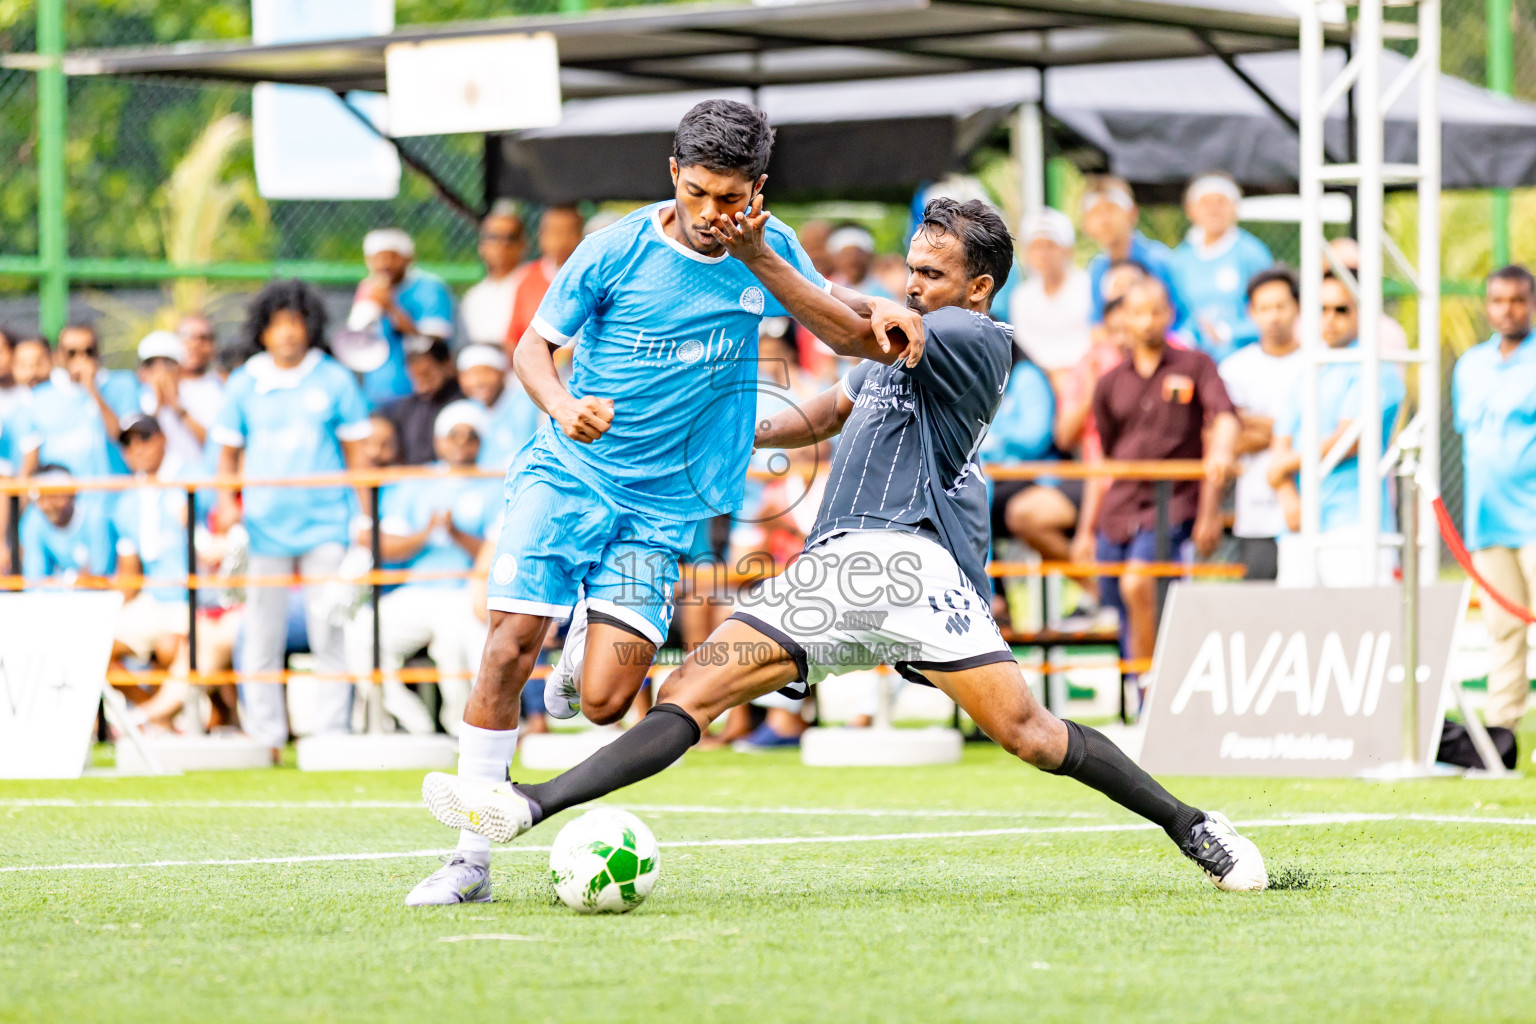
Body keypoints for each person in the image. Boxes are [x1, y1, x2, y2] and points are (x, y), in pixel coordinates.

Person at [419, 197, 1268, 900]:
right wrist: (692, 430)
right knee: (689, 694)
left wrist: (760, 256)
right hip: (832, 570)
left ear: (979, 288)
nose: (911, 285)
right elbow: (817, 416)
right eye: (910, 269)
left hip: (910, 569)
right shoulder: (894, 336)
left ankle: (1196, 827)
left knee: (1034, 738)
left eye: (930, 276)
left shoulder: (978, 338)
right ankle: (529, 805)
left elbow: (842, 330)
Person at [403, 99, 920, 907]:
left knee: (606, 702)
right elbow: (532, 349)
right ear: (674, 175)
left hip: (664, 506)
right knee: (509, 643)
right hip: (570, 472)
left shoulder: (769, 248)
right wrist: (562, 403)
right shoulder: (611, 251)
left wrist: (848, 295)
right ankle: (470, 858)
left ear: (759, 189)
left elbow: (850, 334)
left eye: (733, 197)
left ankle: (582, 646)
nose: (716, 214)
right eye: (701, 194)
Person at [211, 280, 374, 756]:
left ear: (309, 327)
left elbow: (357, 456)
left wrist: (361, 523)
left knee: (330, 630)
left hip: (325, 523)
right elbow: (227, 457)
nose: (286, 333)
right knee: (259, 633)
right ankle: (265, 737)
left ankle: (331, 736)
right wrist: (227, 508)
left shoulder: (334, 378)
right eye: (277, 324)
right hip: (262, 529)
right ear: (262, 331)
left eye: (295, 323)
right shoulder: (244, 382)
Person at [1080, 277, 1237, 687]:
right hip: (1120, 508)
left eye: (1155, 311)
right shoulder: (1110, 382)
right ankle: (1148, 685)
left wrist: (1219, 457)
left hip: (1173, 503)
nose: (1147, 321)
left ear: (1169, 314)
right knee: (1119, 594)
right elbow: (1108, 451)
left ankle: (1149, 692)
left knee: (1140, 585)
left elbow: (1223, 418)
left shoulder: (1196, 365)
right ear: (1123, 319)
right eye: (1137, 312)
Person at [346, 401, 503, 736]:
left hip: (463, 593)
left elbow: (498, 553)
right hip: (417, 590)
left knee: (454, 648)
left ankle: (464, 731)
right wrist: (427, 533)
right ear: (438, 440)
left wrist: (456, 535)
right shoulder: (416, 481)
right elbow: (389, 545)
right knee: (361, 632)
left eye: (469, 435)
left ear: (480, 442)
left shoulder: (494, 483)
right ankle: (412, 722)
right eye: (452, 435)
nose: (460, 442)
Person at [1267, 274, 1405, 587]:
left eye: (1341, 310)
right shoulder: (1308, 369)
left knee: (1362, 622)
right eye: (1321, 309)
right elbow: (1281, 440)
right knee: (1297, 625)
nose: (1330, 319)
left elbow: (1347, 441)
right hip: (1301, 524)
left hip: (1356, 523)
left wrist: (1280, 469)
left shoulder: (1377, 368)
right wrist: (1287, 495)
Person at [1453, 264, 1536, 736]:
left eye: (1518, 300)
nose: (1508, 310)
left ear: (1532, 303)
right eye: (1499, 300)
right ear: (1487, 305)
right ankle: (1502, 733)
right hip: (1487, 521)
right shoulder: (1470, 365)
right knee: (1502, 630)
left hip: (1534, 519)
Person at [111, 414, 199, 730]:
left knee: (170, 646)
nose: (137, 448)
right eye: (128, 442)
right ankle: (153, 716)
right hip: (154, 600)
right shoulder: (126, 503)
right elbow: (130, 574)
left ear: (163, 439)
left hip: (194, 597)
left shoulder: (193, 477)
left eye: (144, 438)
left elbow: (220, 536)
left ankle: (155, 718)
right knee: (97, 644)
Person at [1217, 267, 1304, 582]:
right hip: (1256, 512)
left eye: (1281, 306)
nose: (1274, 316)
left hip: (1307, 510)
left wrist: (1253, 424)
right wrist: (1288, 429)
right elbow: (1224, 439)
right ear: (1251, 313)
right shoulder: (1235, 369)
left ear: (1297, 308)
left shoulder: (1317, 364)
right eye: (1264, 308)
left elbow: (1322, 433)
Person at [1168, 173, 1273, 363]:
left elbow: (1272, 312)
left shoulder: (1252, 253)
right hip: (1194, 362)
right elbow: (1177, 314)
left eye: (1221, 202)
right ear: (1191, 210)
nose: (1213, 210)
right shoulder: (1180, 260)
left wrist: (1228, 332)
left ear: (1235, 207)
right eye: (1206, 203)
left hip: (1244, 360)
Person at [353, 228, 456, 407]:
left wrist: (390, 307)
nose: (384, 265)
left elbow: (433, 342)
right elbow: (355, 338)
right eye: (377, 258)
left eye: (391, 257)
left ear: (409, 258)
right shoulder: (370, 288)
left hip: (421, 394)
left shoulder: (430, 288)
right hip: (376, 393)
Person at [24, 326, 140, 482]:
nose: (81, 359)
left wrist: (92, 389)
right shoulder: (40, 397)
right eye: (72, 353)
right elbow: (30, 461)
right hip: (62, 500)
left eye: (88, 352)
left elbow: (122, 438)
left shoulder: (123, 384)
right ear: (59, 356)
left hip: (112, 497)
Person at [1081, 176, 1186, 338]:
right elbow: (1097, 325)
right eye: (1096, 213)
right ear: (1086, 223)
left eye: (1111, 209)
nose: (1104, 220)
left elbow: (1180, 318)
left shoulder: (1158, 259)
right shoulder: (1097, 268)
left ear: (1132, 213)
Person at [1008, 207, 1091, 380]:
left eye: (1050, 246)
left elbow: (1092, 339)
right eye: (1036, 247)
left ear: (1068, 250)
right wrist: (1051, 374)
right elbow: (1025, 345)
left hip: (1083, 373)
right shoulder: (1022, 296)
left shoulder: (1087, 287)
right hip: (1039, 377)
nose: (1043, 255)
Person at [504, 206, 585, 355]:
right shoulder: (526, 278)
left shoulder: (591, 277)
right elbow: (513, 338)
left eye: (568, 231)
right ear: (541, 236)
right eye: (553, 231)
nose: (560, 240)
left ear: (582, 235)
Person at [20, 463, 115, 585]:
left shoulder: (95, 518)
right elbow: (34, 578)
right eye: (42, 497)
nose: (49, 504)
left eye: (56, 495)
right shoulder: (33, 521)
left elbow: (100, 574)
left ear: (72, 494)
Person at [456, 344, 541, 473]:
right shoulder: (467, 411)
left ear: (502, 372)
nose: (478, 381)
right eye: (469, 375)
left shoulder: (529, 403)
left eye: (485, 372)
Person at [380, 337, 463, 466]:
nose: (422, 384)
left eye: (427, 374)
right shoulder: (407, 407)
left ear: (447, 365)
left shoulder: (462, 403)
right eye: (415, 377)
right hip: (413, 480)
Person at [135, 330, 208, 473]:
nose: (160, 370)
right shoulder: (138, 398)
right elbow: (136, 445)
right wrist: (158, 406)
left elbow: (212, 443)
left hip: (194, 480)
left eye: (167, 363)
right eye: (151, 364)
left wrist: (178, 408)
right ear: (142, 371)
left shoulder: (198, 395)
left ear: (180, 368)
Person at [460, 201, 527, 347]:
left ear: (523, 244)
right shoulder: (473, 296)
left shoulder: (532, 283)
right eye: (493, 237)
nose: (502, 244)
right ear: (481, 245)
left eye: (510, 237)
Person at [176, 313, 227, 420]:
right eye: (188, 337)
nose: (195, 344)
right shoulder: (157, 386)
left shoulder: (224, 387)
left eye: (203, 338)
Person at [827, 225, 891, 298]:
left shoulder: (886, 288)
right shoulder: (829, 288)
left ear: (869, 256)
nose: (852, 260)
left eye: (857, 254)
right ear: (835, 259)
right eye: (846, 255)